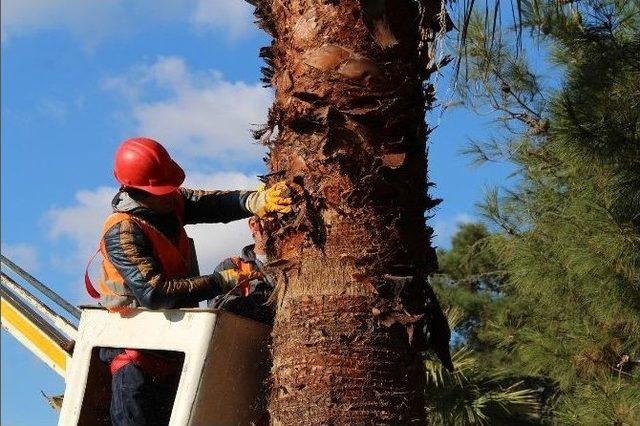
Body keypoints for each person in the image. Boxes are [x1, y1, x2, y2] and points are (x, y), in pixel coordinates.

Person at [86, 137, 292, 426]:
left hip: (171, 352)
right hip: (134, 359)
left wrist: (253, 200)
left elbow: (215, 204)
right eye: (161, 191)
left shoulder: (169, 203)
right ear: (138, 191)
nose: (170, 196)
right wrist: (221, 281)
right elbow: (155, 294)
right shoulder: (123, 231)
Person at [209, 216, 275, 324]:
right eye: (272, 218)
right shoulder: (233, 266)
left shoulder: (300, 267)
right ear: (253, 224)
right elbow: (215, 309)